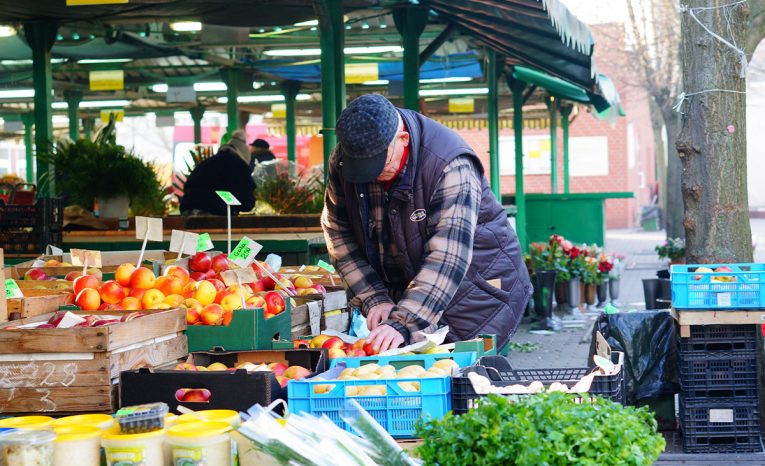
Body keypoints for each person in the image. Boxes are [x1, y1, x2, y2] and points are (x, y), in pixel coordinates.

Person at [322, 94, 532, 352]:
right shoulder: (345, 159)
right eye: (364, 169)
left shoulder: (451, 165)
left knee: (464, 382)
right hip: (413, 295)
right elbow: (337, 231)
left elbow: (447, 258)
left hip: (474, 295)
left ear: (403, 139)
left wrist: (403, 323)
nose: (373, 175)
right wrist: (374, 297)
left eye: (380, 164)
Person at [180, 129, 256, 216]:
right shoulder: (239, 165)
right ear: (245, 155)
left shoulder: (208, 162)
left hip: (188, 210)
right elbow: (246, 197)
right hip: (213, 212)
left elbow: (189, 185)